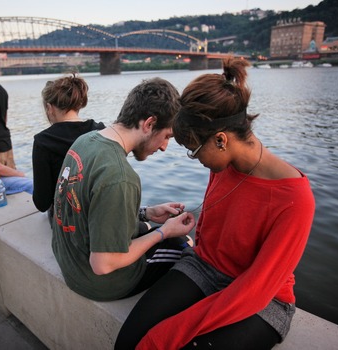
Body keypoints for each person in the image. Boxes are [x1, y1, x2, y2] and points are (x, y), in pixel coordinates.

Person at [115, 57, 316, 349]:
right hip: (204, 268)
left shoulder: (295, 199)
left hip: (264, 300)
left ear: (221, 140)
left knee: (162, 343)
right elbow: (210, 240)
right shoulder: (221, 165)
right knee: (128, 343)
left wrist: (166, 336)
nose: (196, 160)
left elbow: (255, 291)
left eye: (194, 151)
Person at [51, 78, 196, 302]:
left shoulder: (85, 141)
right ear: (148, 124)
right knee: (184, 245)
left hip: (70, 263)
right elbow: (103, 264)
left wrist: (146, 213)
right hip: (99, 282)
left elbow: (88, 208)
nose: (165, 147)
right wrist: (163, 232)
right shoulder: (121, 177)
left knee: (149, 226)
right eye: (167, 136)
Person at [32, 74, 105, 224]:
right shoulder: (100, 131)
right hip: (100, 216)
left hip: (67, 223)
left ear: (49, 107)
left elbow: (42, 203)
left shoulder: (43, 141)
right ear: (78, 104)